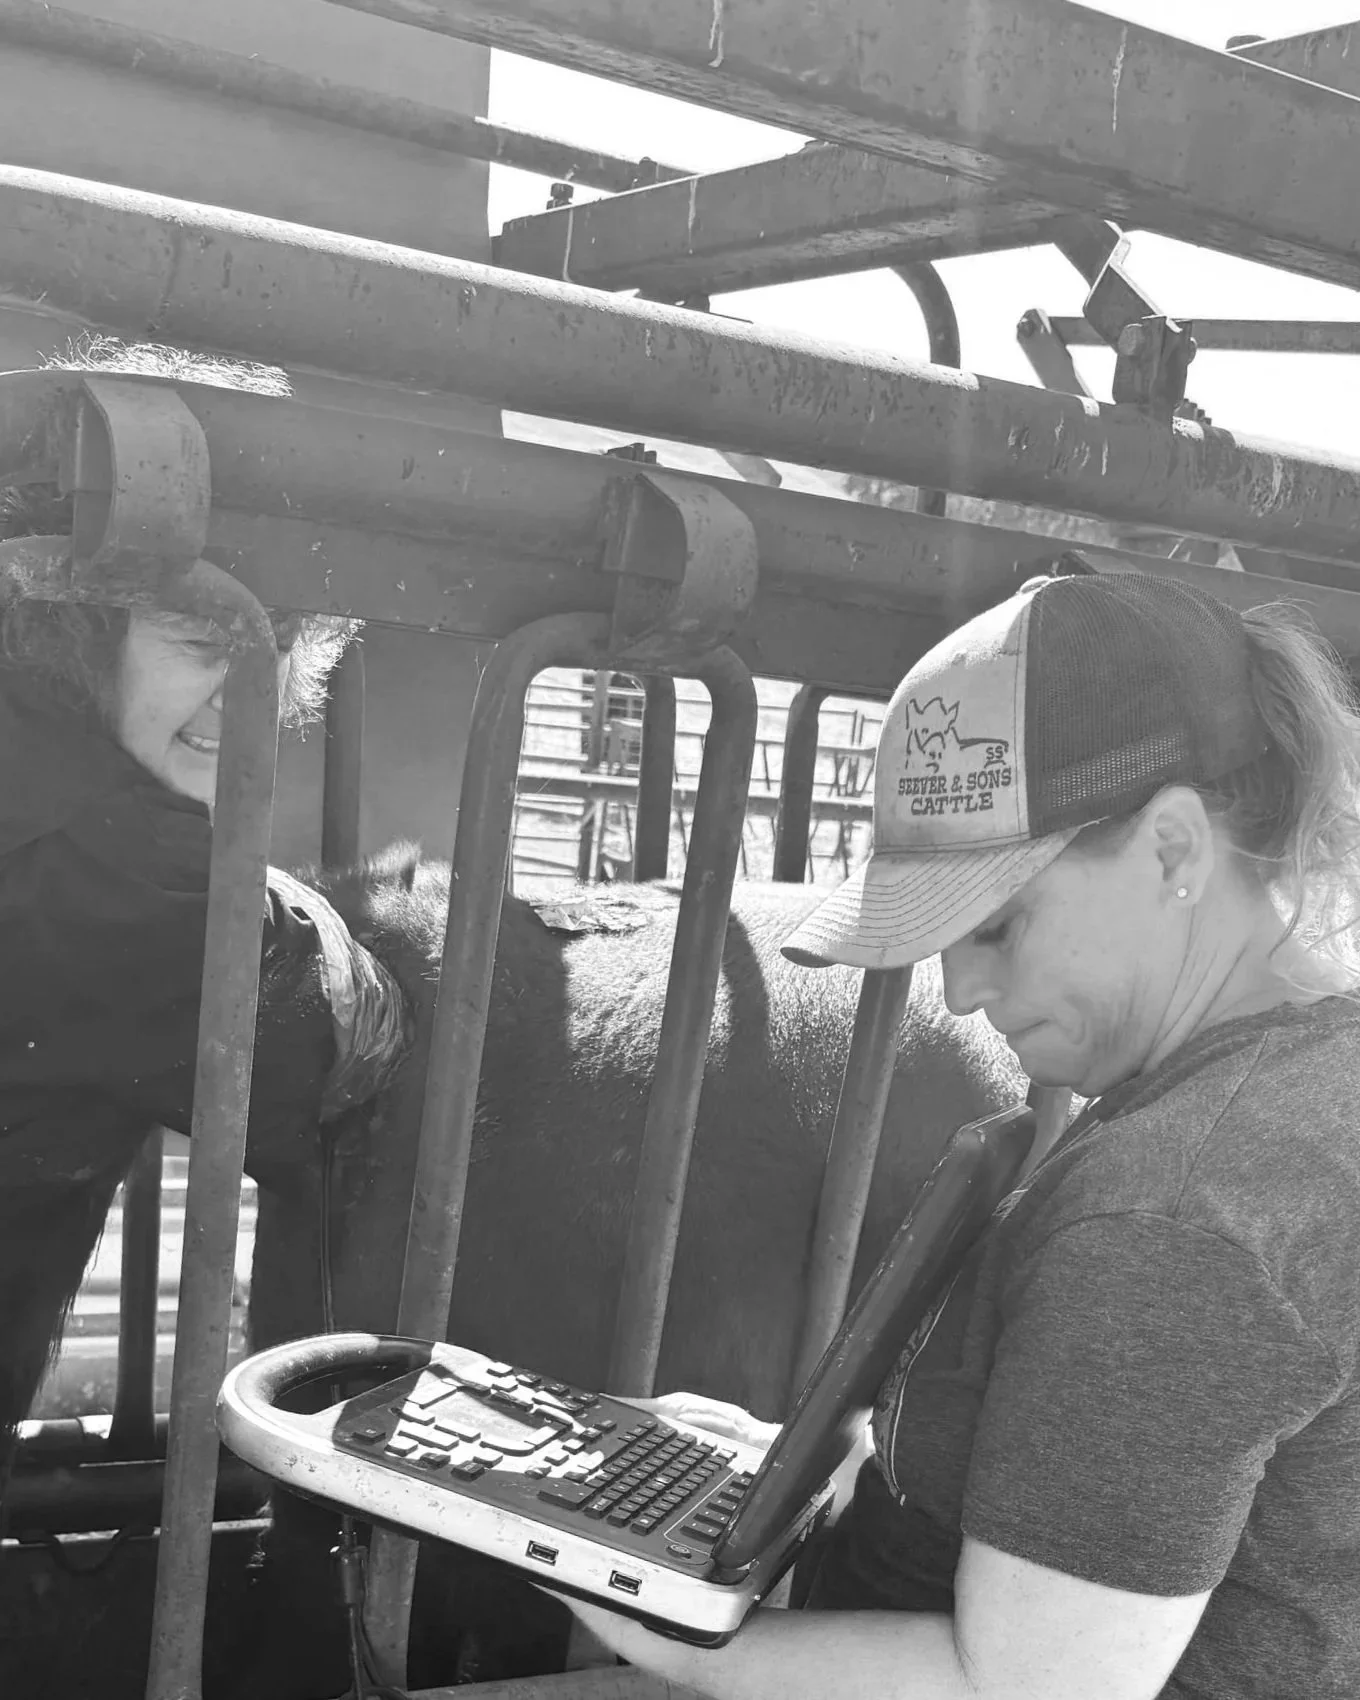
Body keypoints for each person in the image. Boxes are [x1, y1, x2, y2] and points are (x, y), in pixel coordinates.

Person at [563, 570, 1360, 1700]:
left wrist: (649, 1606)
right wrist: (801, 1464)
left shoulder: (1173, 1212)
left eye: (994, 923)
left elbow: (1031, 1688)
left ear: (1174, 849)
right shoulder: (1308, 1080)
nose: (956, 988)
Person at [0, 343, 406, 1488]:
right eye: (200, 636)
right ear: (76, 624)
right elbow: (321, 1049)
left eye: (270, 652)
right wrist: (287, 899)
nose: (246, 703)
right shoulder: (110, 864)